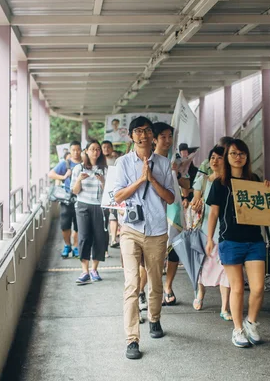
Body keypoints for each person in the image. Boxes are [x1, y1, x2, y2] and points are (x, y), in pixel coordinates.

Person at [113, 116, 175, 360]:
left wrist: (152, 179)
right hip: (130, 229)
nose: (143, 135)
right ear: (131, 136)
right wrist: (140, 179)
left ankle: (155, 318)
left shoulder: (163, 163)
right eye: (138, 131)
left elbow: (170, 198)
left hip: (158, 230)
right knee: (131, 284)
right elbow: (118, 196)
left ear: (153, 136)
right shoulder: (122, 163)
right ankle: (132, 339)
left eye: (147, 131)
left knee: (155, 282)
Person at [205, 138, 270, 348]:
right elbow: (214, 213)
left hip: (254, 241)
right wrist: (209, 239)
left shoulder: (254, 179)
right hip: (230, 240)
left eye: (242, 154)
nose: (238, 157)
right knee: (237, 288)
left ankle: (251, 322)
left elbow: (265, 207)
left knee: (258, 287)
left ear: (247, 157)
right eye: (233, 153)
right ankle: (237, 330)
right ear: (227, 157)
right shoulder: (219, 183)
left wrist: (268, 190)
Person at [190, 146, 231, 320]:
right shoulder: (203, 180)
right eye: (212, 157)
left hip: (226, 232)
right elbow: (195, 201)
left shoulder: (231, 182)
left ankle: (225, 307)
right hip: (205, 230)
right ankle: (200, 293)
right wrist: (195, 205)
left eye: (219, 158)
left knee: (226, 270)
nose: (214, 161)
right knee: (203, 267)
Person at [152, 122, 182, 306]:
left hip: (175, 209)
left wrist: (179, 175)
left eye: (170, 136)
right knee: (152, 256)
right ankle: (144, 291)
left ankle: (168, 287)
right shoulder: (148, 160)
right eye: (163, 136)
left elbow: (187, 185)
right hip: (155, 212)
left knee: (174, 250)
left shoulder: (177, 159)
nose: (167, 140)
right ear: (154, 139)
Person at [71, 141, 108, 284]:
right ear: (86, 151)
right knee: (84, 237)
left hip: (99, 206)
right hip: (83, 205)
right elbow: (74, 191)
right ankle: (84, 271)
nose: (96, 152)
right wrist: (79, 179)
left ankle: (94, 269)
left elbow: (109, 191)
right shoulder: (78, 169)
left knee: (99, 237)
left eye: (98, 149)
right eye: (92, 149)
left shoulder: (104, 169)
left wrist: (103, 181)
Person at [49, 141, 82, 258]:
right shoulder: (66, 163)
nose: (76, 152)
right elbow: (51, 174)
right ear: (70, 150)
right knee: (65, 224)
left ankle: (76, 246)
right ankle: (67, 245)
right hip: (67, 199)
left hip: (81, 198)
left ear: (81, 150)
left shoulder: (84, 162)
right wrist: (63, 177)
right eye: (73, 150)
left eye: (78, 150)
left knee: (79, 224)